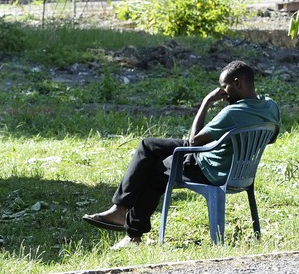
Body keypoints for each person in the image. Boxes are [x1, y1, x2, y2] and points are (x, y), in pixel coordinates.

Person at [83, 59, 279, 245]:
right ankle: (120, 209)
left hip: (209, 168)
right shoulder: (270, 106)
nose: (224, 93)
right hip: (236, 170)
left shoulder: (232, 113)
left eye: (225, 87)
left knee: (155, 171)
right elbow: (271, 138)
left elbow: (194, 141)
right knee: (148, 146)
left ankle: (131, 232)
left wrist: (206, 103)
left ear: (237, 83)